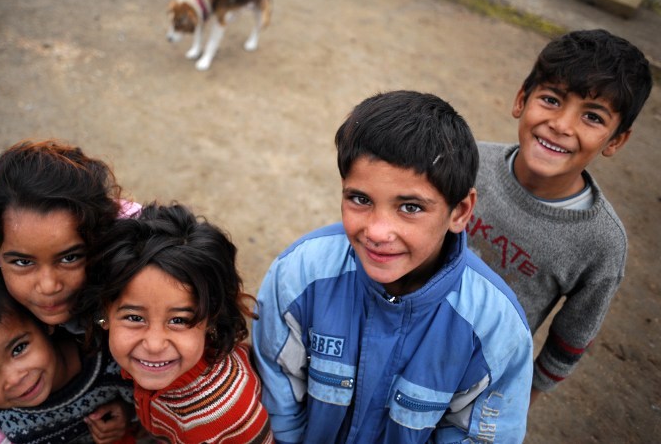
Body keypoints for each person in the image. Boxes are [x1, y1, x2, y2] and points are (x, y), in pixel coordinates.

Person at [252, 90, 534, 443]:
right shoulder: (299, 275)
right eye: (360, 199)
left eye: (411, 207)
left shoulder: (495, 328)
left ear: (460, 212)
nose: (377, 232)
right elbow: (277, 406)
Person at [466, 29, 653, 403]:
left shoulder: (601, 243)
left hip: (477, 382)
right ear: (522, 99)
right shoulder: (468, 162)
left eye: (593, 118)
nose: (562, 125)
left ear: (615, 141)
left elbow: (570, 340)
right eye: (551, 99)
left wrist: (518, 402)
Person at [0, 140, 139, 443]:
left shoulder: (135, 256)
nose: (48, 286)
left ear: (99, 242)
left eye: (71, 257)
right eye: (22, 262)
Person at [77, 202, 274, 443]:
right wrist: (132, 414)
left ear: (212, 320)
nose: (154, 345)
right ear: (105, 313)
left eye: (179, 320)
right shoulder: (165, 370)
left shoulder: (224, 417)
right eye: (135, 318)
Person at [0, 267, 136, 444]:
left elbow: (144, 403)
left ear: (45, 323)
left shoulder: (109, 361)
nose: (14, 379)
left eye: (19, 349)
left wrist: (125, 412)